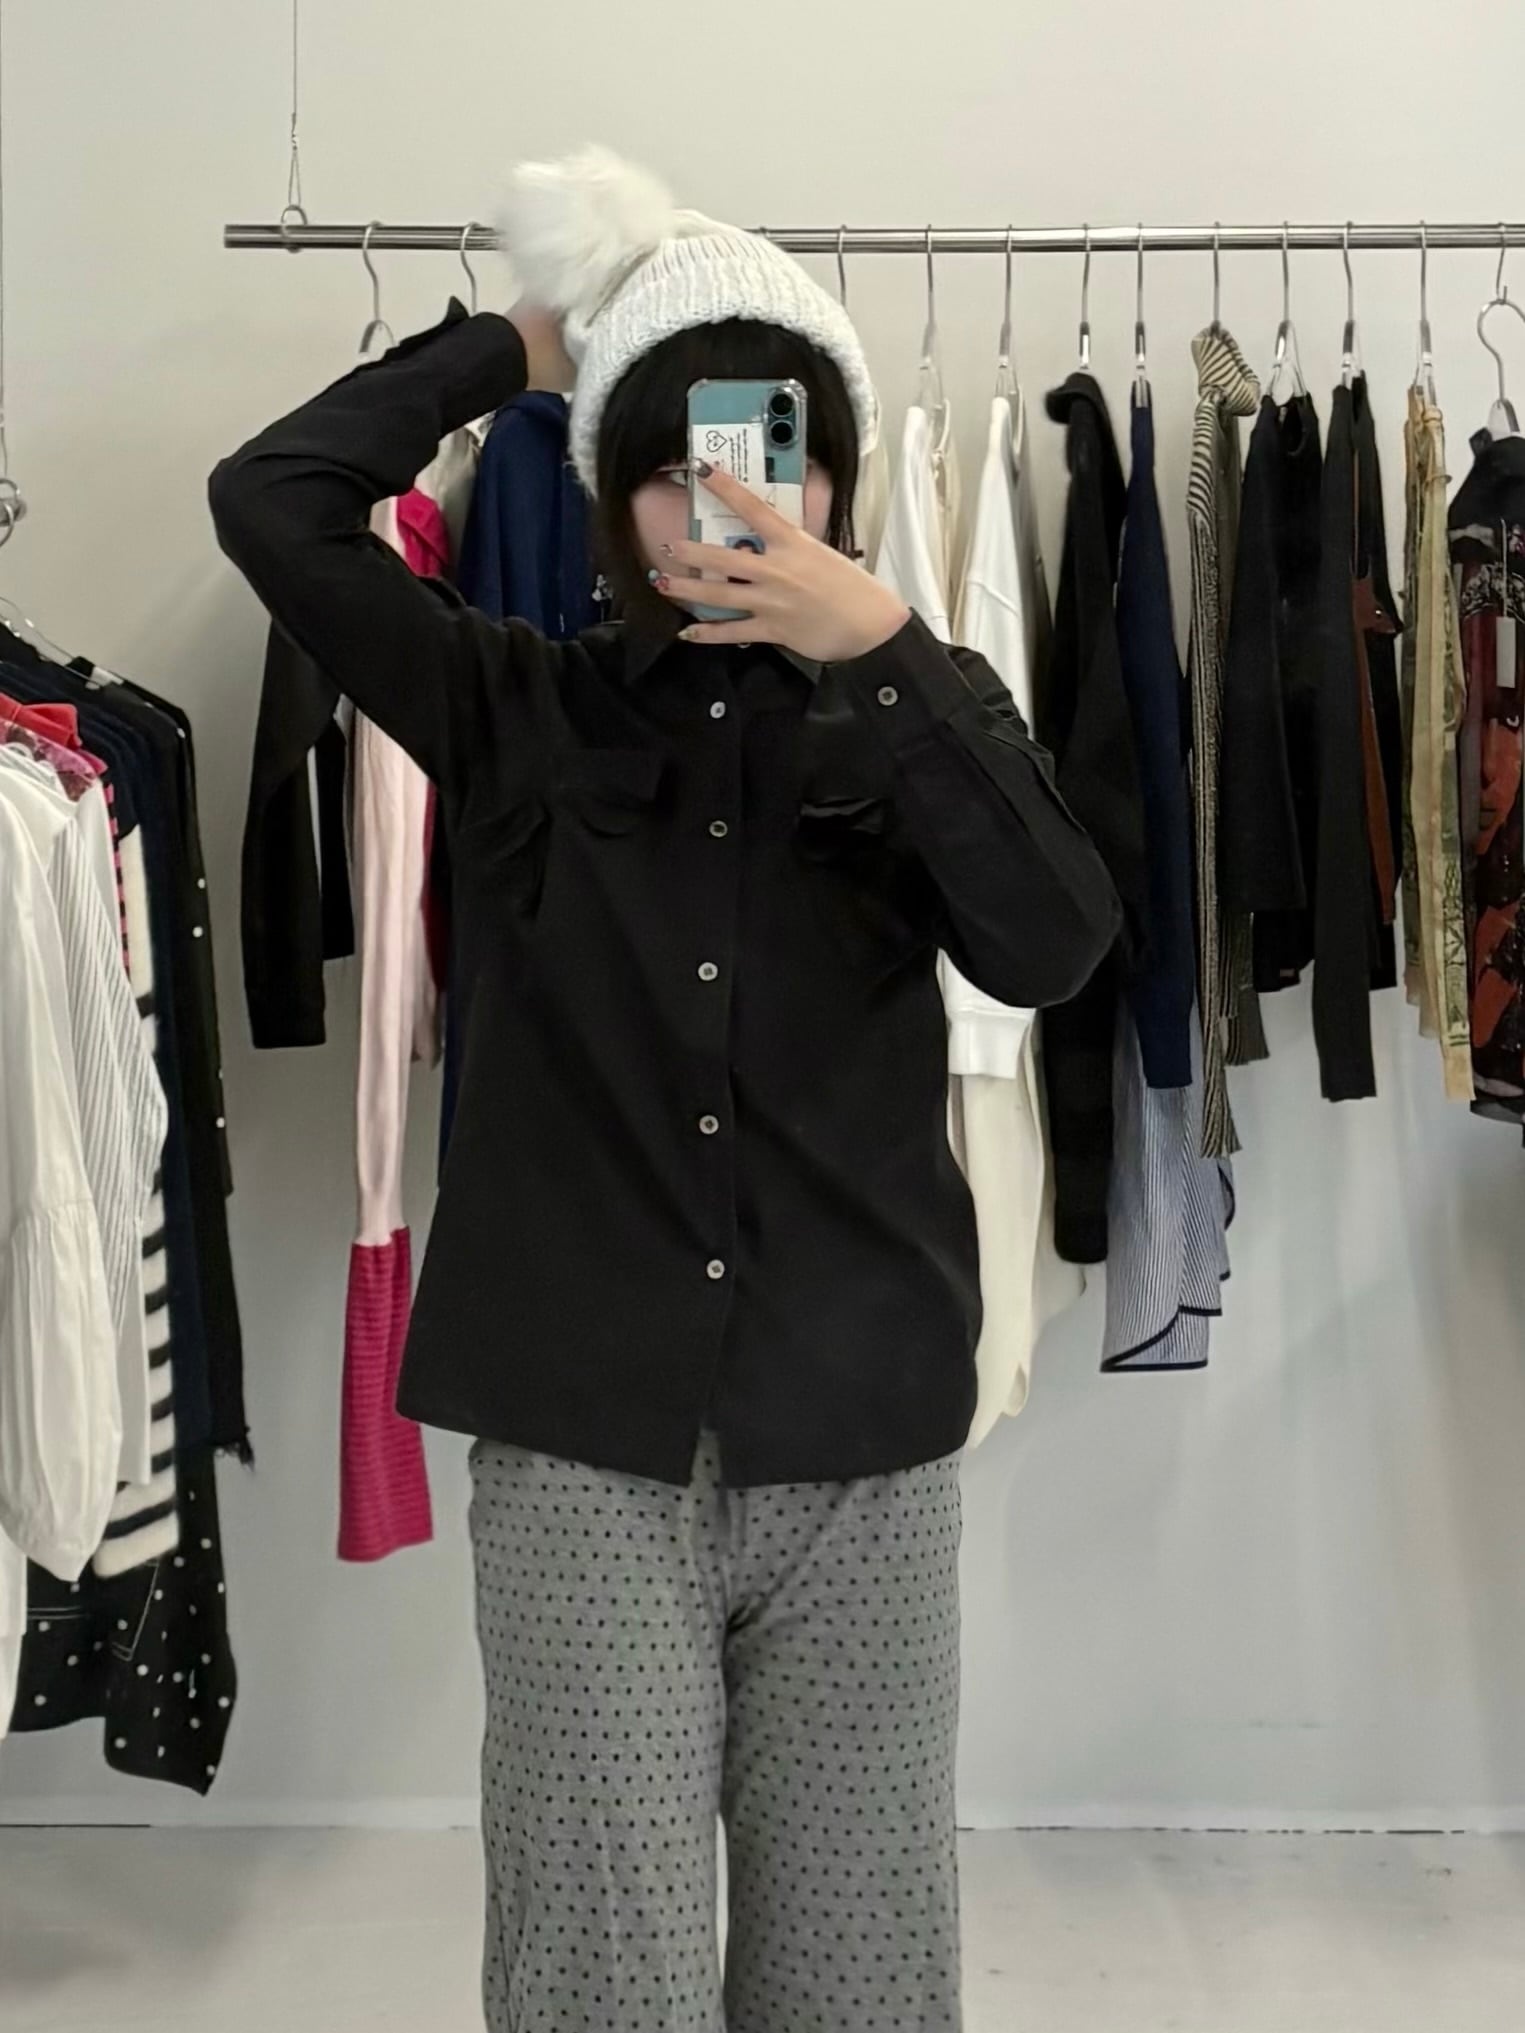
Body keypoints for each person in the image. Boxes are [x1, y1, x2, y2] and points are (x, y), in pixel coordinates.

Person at [209, 145, 1119, 2033]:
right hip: (582, 1449)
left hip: (860, 1439)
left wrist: (884, 647)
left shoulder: (922, 713)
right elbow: (272, 503)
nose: (729, 493)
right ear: (611, 485)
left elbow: (1053, 942)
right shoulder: (513, 706)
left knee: (860, 1975)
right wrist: (518, 346)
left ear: (836, 478)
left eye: (779, 451)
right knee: (599, 1970)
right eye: (675, 456)